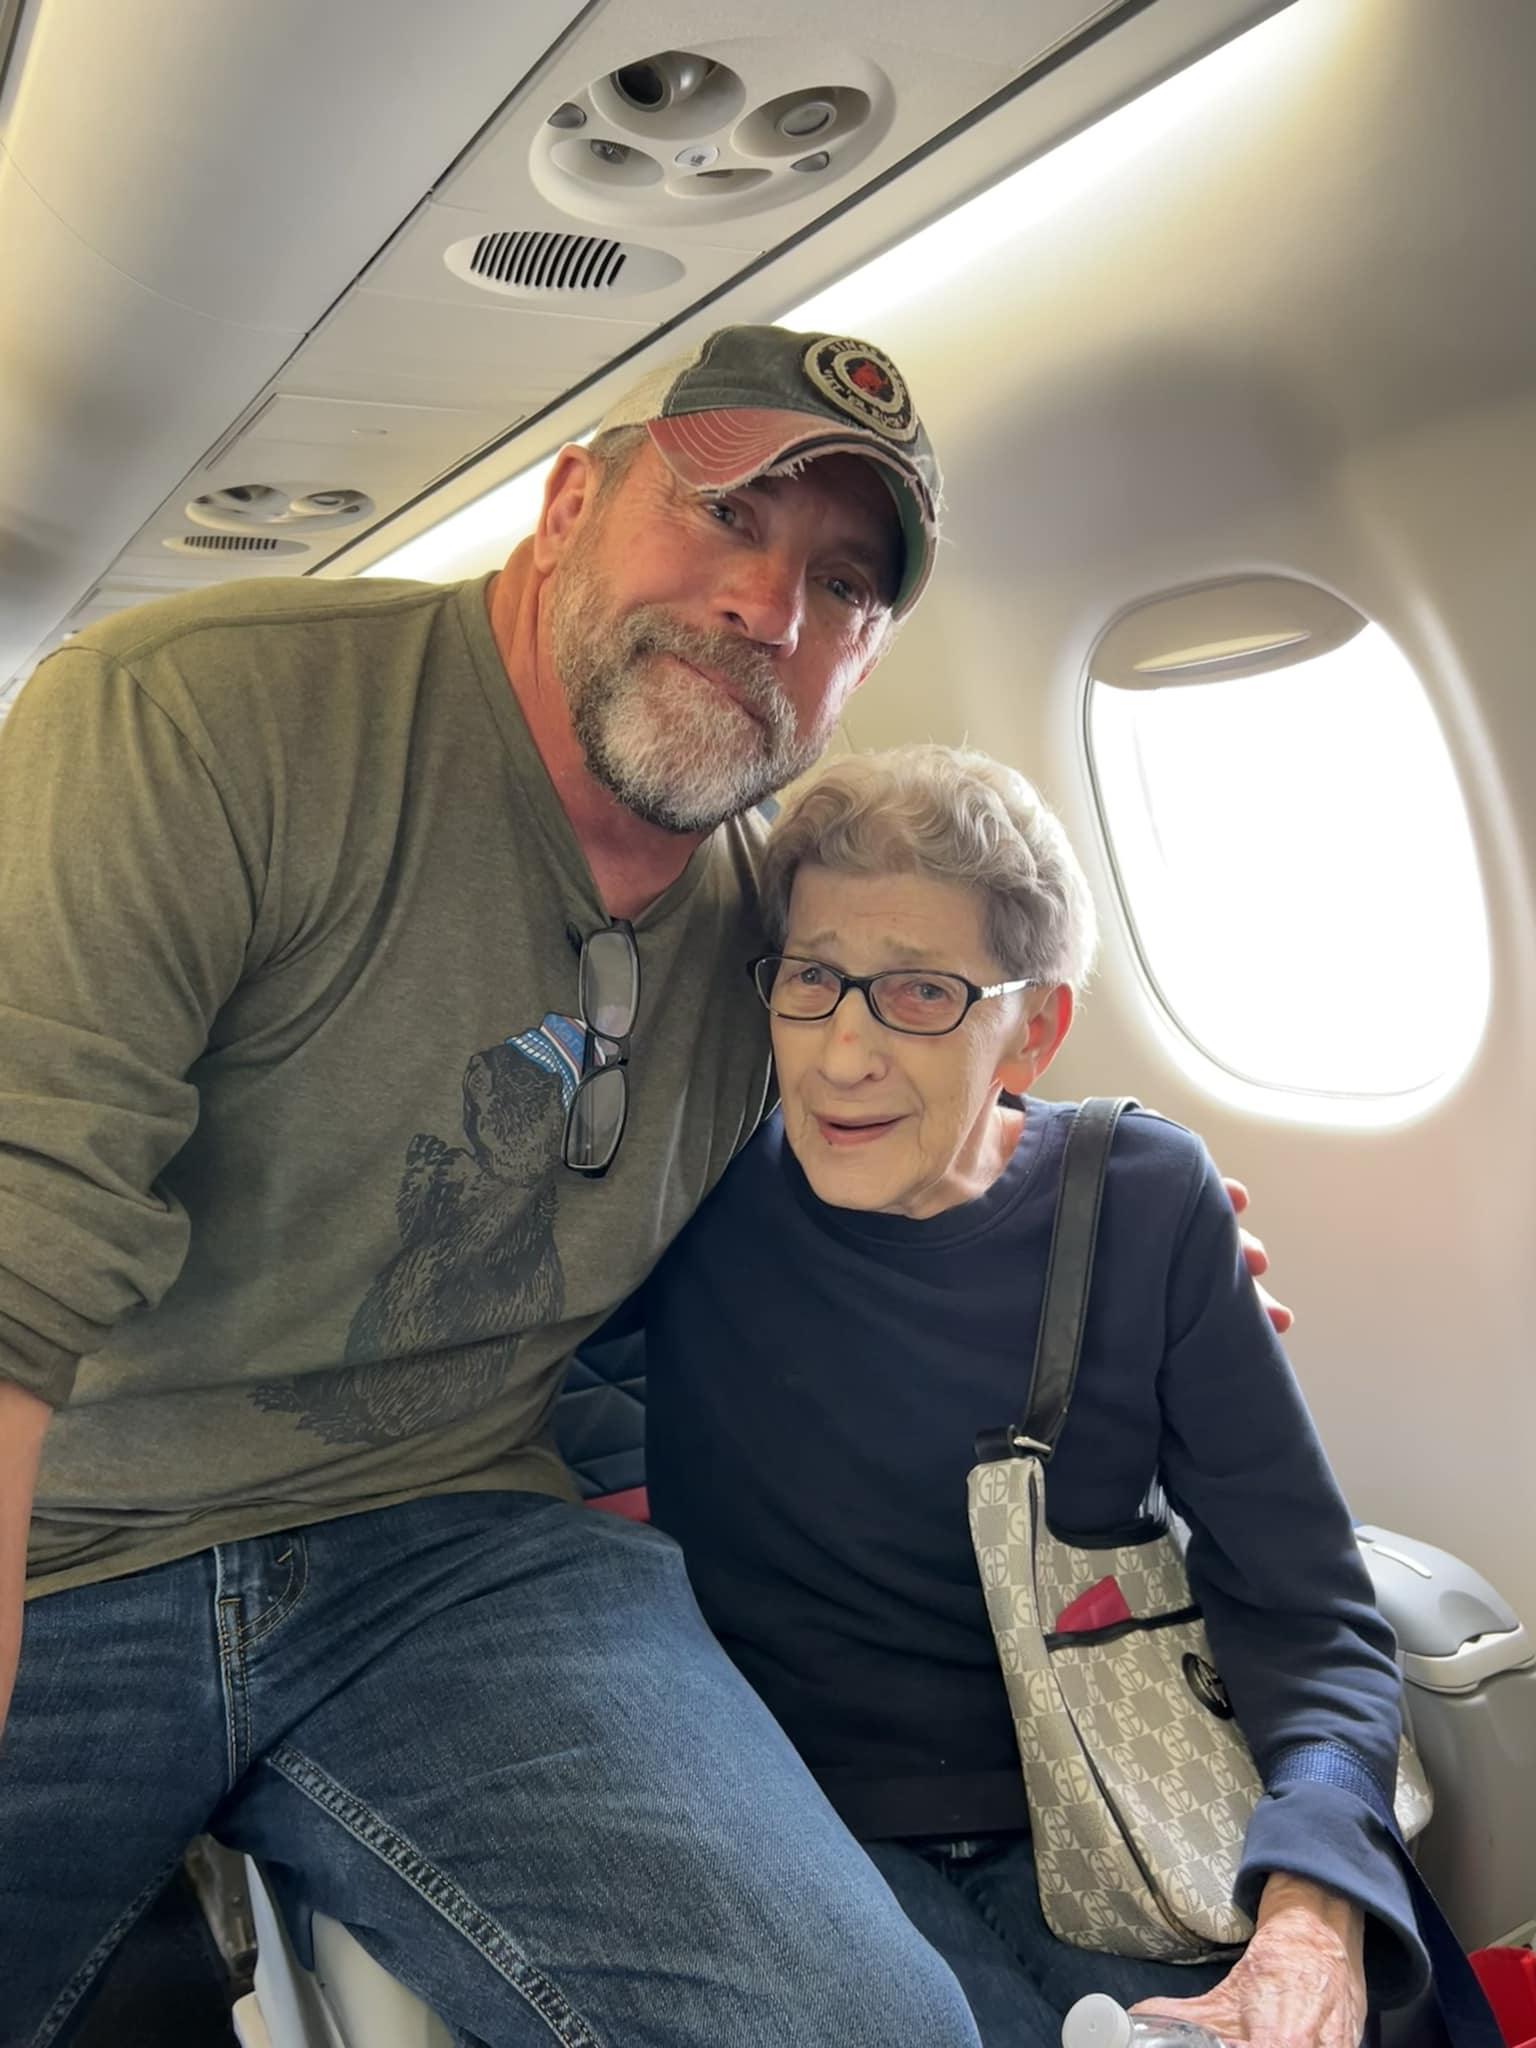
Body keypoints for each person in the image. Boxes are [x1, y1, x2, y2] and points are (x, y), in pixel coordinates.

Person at [0, 324, 1278, 2045]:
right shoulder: (202, 717)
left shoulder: (768, 932)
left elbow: (904, 1101)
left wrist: (1117, 1223)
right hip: (69, 1534)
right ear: (565, 509)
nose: (769, 605)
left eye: (842, 583)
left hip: (450, 1548)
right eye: (726, 513)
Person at [643, 743, 1426, 2048]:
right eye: (813, 979)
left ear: (1037, 1029)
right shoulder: (683, 1200)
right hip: (807, 1823)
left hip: (1116, 1805)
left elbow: (1308, 1609)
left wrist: (1312, 1916)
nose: (842, 1054)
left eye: (921, 994)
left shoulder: (1144, 1203)